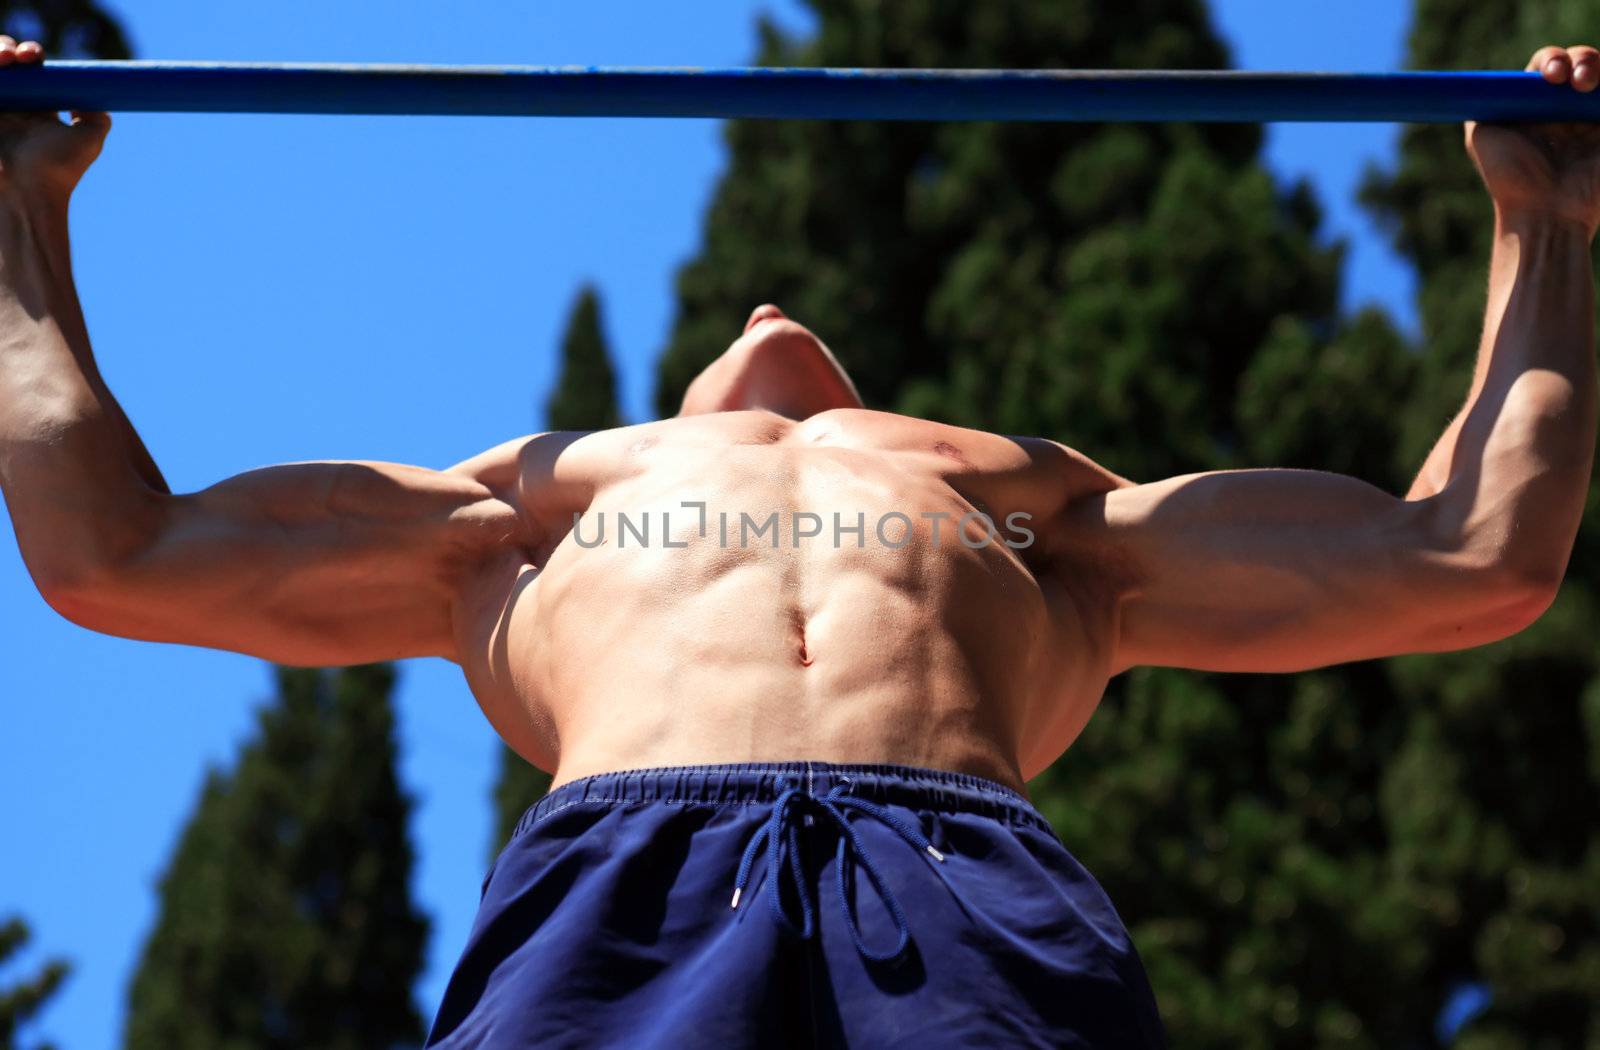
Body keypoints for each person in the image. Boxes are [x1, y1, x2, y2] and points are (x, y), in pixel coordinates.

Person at [2, 33, 1597, 1048]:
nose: (772, 309)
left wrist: (1550, 221)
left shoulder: (1043, 511)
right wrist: (17, 219)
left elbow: (1473, 556)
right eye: (732, 323)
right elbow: (109, 552)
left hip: (962, 882)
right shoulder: (520, 512)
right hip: (628, 884)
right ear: (684, 410)